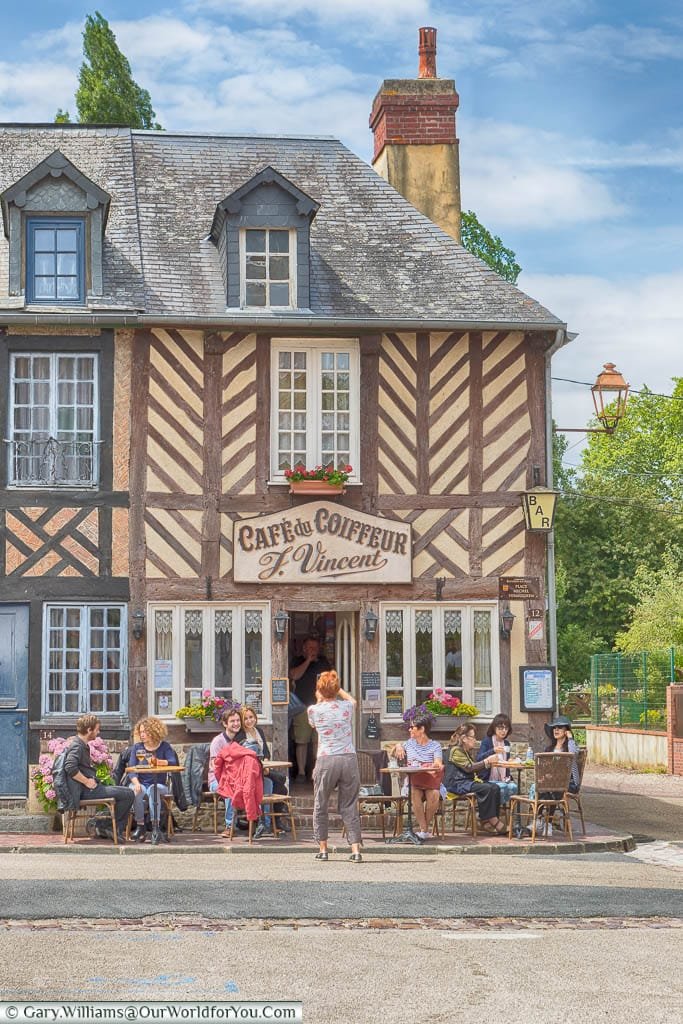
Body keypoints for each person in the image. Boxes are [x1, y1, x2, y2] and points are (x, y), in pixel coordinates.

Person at [307, 669, 362, 863]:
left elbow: (314, 725)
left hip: (326, 758)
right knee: (349, 804)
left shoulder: (314, 710)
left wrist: (321, 696)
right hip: (348, 758)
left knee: (320, 803)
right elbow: (353, 701)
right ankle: (355, 850)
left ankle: (323, 848)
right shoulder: (346, 707)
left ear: (319, 690)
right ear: (337, 688)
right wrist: (338, 690)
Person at [63, 714, 134, 843]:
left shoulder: (80, 744)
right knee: (128, 793)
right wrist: (87, 781)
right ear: (89, 730)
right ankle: (107, 827)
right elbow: (70, 767)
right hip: (85, 791)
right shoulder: (77, 746)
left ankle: (107, 827)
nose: (98, 732)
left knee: (125, 792)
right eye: (96, 729)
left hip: (88, 789)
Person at [444, 723, 506, 834]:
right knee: (486, 788)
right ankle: (490, 820)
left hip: (466, 782)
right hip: (456, 784)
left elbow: (474, 768)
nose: (475, 740)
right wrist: (487, 761)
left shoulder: (465, 751)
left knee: (495, 787)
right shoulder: (455, 751)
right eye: (473, 737)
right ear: (464, 739)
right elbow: (469, 768)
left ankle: (487, 820)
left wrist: (488, 762)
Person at [127, 716, 179, 842]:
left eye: (145, 731)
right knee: (136, 791)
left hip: (160, 784)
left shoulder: (164, 747)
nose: (142, 735)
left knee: (153, 789)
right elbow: (132, 770)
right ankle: (140, 826)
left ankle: (156, 827)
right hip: (141, 782)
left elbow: (173, 762)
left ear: (154, 731)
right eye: (141, 732)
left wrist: (158, 762)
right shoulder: (137, 748)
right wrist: (136, 783)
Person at [392, 716, 444, 840]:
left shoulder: (435, 746)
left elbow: (438, 763)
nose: (409, 730)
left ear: (422, 729)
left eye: (412, 727)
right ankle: (424, 829)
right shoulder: (409, 743)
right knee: (414, 793)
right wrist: (398, 746)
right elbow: (392, 753)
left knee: (434, 795)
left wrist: (433, 765)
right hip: (413, 780)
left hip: (429, 780)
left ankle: (423, 829)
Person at [289, 635, 331, 782]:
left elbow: (331, 681)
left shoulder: (324, 662)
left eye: (315, 648)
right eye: (310, 648)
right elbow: (294, 676)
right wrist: (308, 660)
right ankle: (301, 773)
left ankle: (316, 771)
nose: (313, 650)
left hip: (322, 707)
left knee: (318, 741)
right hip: (302, 706)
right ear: (304, 649)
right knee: (302, 741)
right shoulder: (298, 661)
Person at [236, 704, 275, 839]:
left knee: (270, 784)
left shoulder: (259, 731)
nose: (249, 721)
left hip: (263, 768)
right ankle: (263, 821)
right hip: (250, 772)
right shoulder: (240, 734)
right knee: (276, 781)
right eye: (245, 719)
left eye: (251, 717)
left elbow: (266, 752)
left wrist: (267, 764)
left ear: (255, 717)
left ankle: (267, 823)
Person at [208, 707, 243, 837]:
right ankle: (229, 826)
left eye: (238, 720)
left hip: (237, 779)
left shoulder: (241, 739)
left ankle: (260, 823)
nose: (236, 724)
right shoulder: (218, 741)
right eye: (232, 721)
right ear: (225, 724)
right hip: (217, 780)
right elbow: (214, 765)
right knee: (229, 790)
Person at [477, 714, 518, 808]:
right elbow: (479, 759)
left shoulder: (506, 743)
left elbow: (505, 763)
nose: (503, 731)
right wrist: (493, 750)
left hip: (503, 778)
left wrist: (510, 761)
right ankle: (494, 812)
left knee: (514, 787)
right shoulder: (487, 741)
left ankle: (493, 809)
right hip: (487, 778)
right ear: (494, 728)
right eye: (500, 728)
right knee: (502, 788)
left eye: (506, 728)